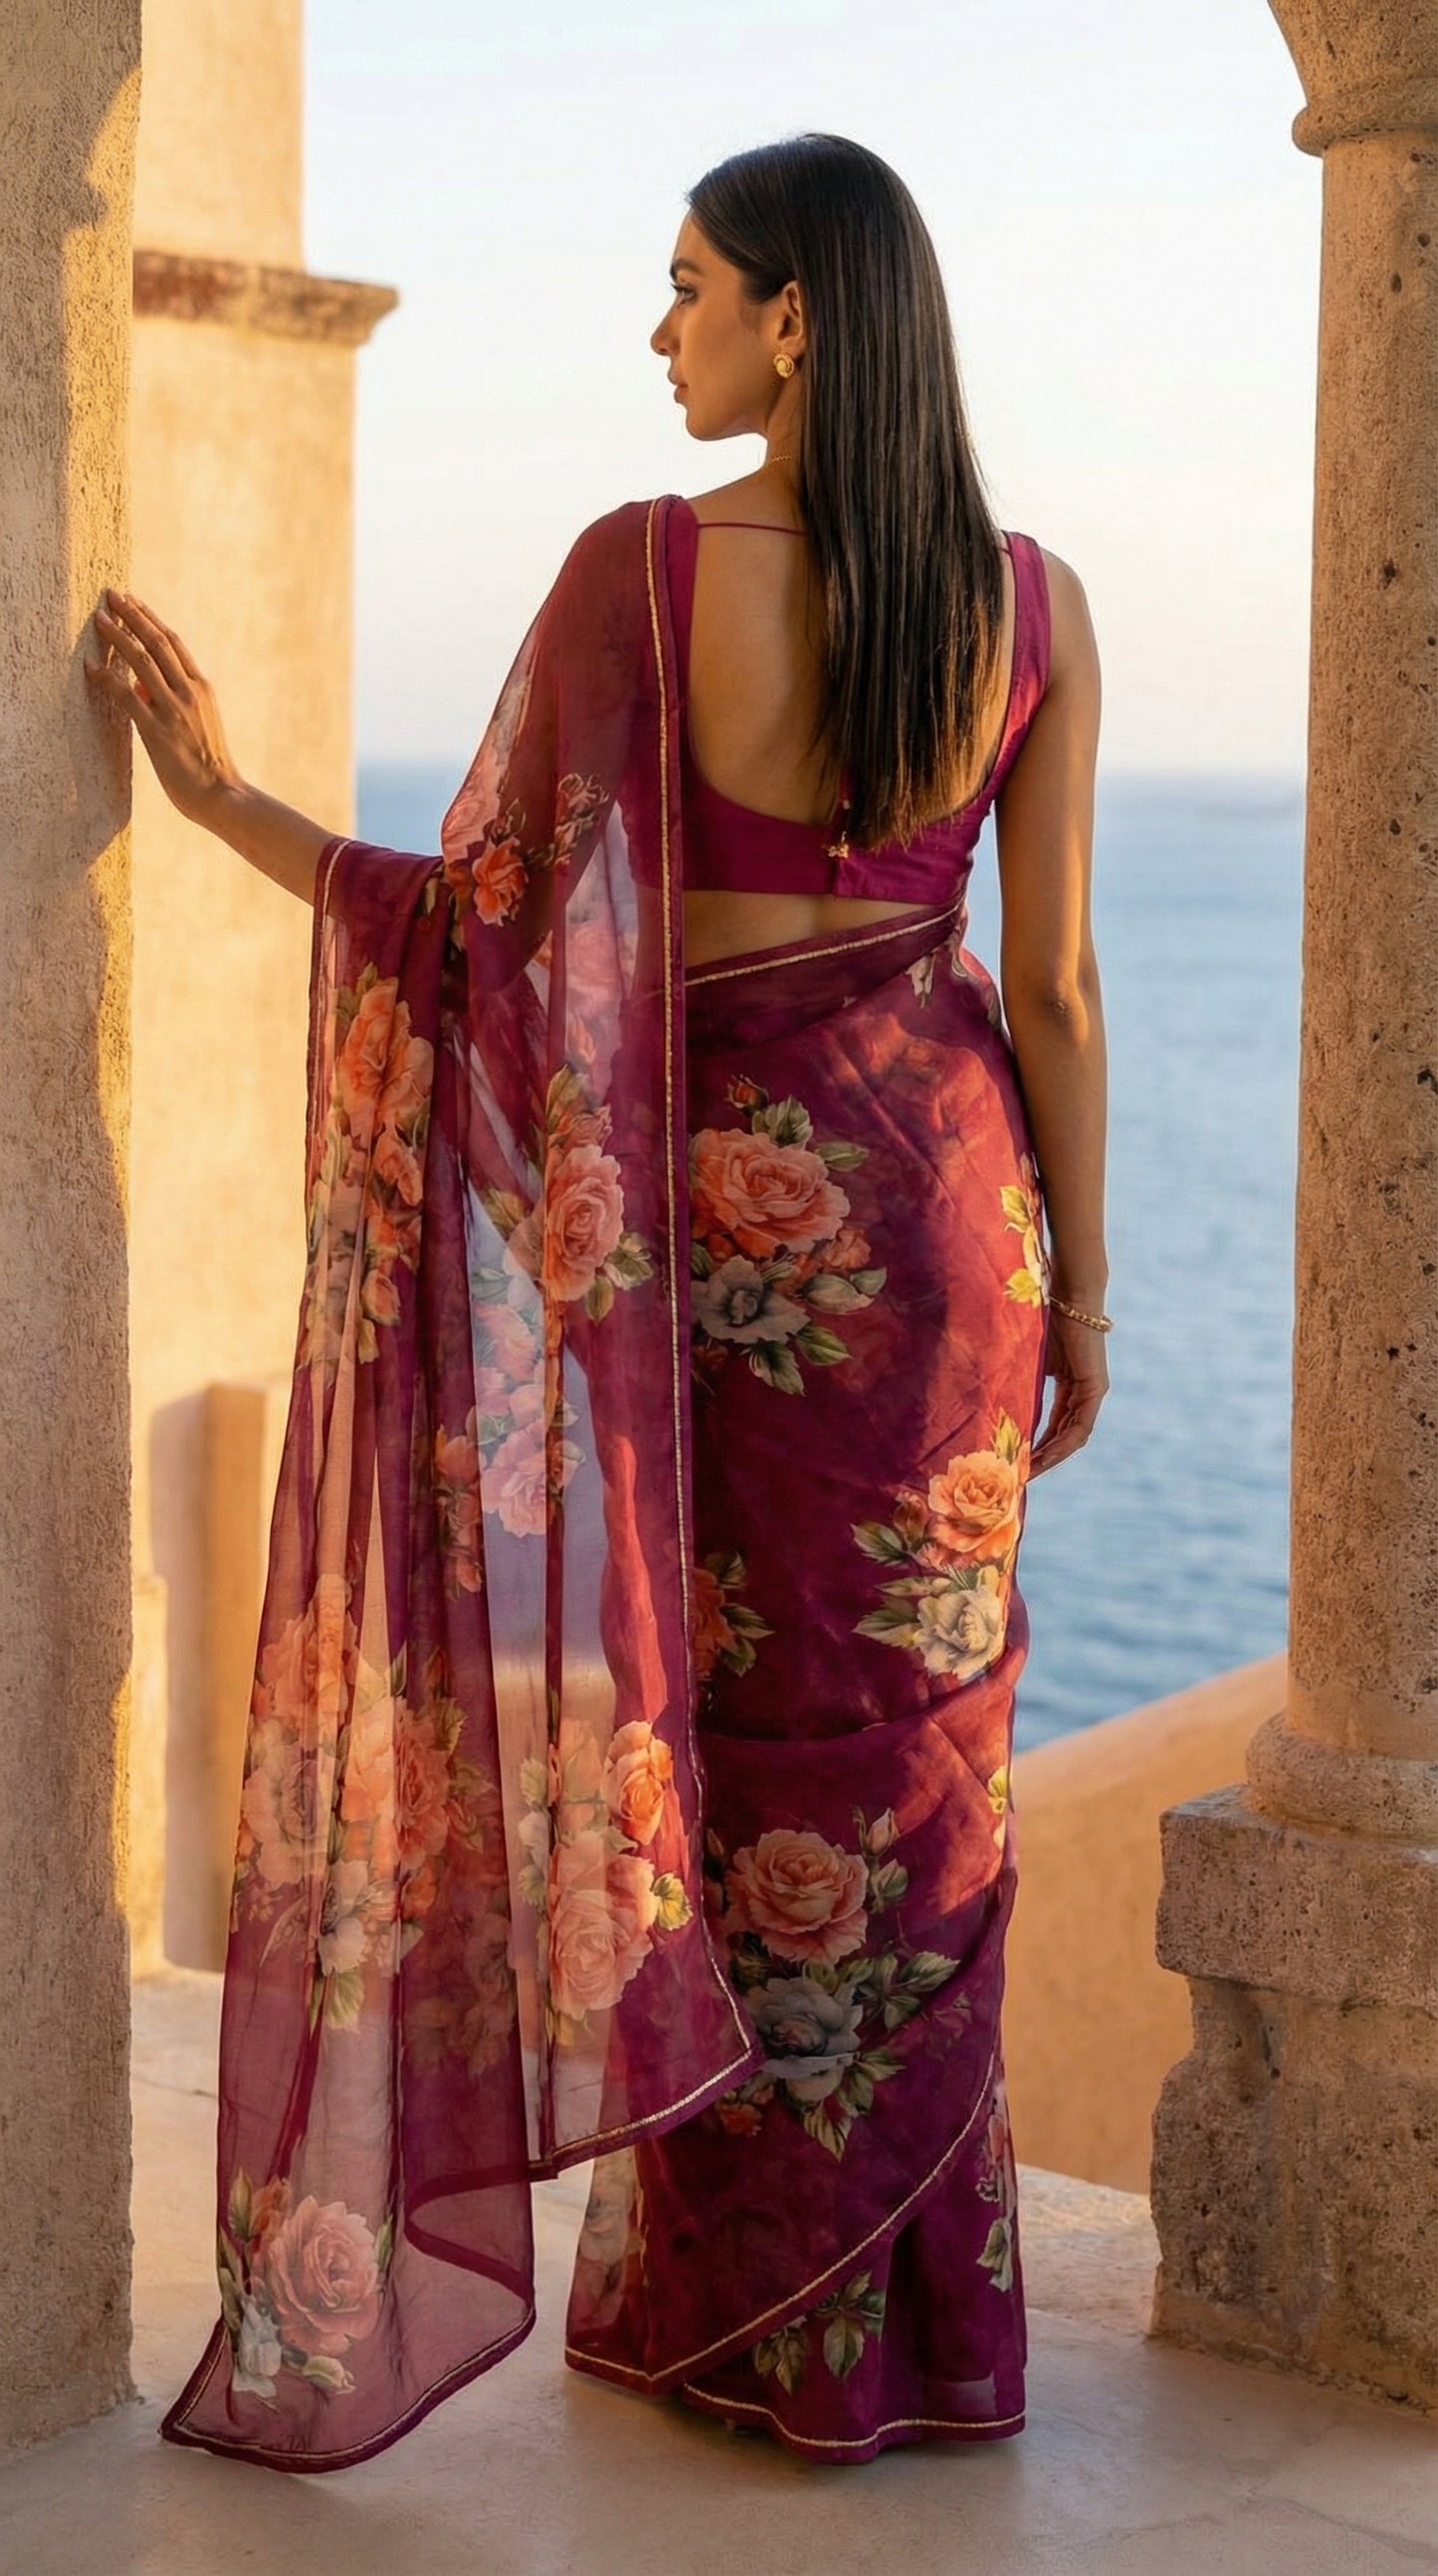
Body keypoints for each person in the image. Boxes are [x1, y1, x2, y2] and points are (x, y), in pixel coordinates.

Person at [87, 131, 1108, 2472]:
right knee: (918, 1762)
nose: (662, 332)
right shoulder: (1037, 601)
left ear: (796, 317)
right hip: (954, 1237)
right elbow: (1050, 985)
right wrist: (1092, 1296)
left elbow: (481, 930)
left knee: (716, 1732)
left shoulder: (637, 576)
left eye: (689, 286)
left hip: (720, 1253)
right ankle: (918, 2337)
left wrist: (229, 802)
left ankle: (743, 2317)